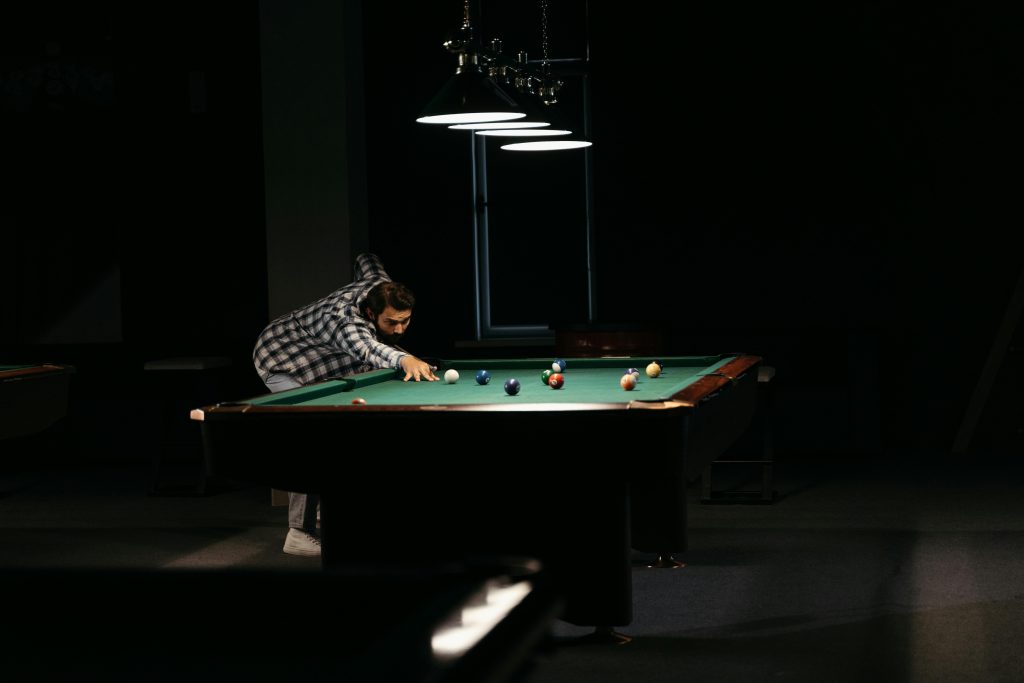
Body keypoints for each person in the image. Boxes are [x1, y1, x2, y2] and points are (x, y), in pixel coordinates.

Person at [252, 252, 438, 556]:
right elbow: (367, 349)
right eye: (391, 323)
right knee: (312, 436)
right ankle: (298, 532)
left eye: (405, 321)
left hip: (322, 356)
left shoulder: (379, 285)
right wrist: (405, 359)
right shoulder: (345, 324)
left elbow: (367, 260)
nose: (399, 330)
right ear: (370, 313)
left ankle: (328, 513)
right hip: (280, 357)